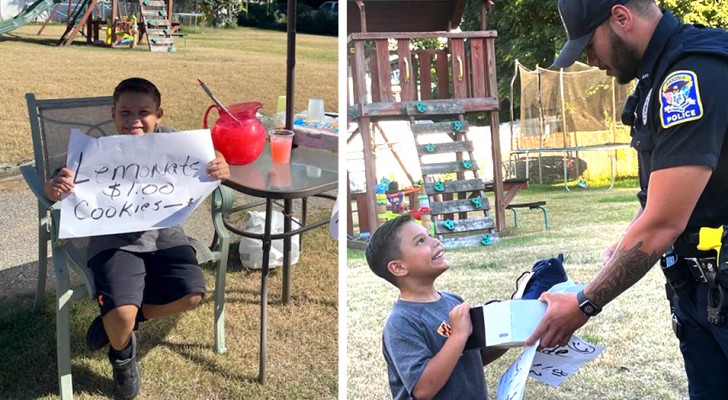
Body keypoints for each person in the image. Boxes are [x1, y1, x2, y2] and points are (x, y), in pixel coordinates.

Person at [525, 1, 728, 398]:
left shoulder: (692, 75)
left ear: (621, 17)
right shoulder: (660, 75)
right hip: (699, 290)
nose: (590, 58)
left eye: (589, 44)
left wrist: (584, 303)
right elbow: (663, 193)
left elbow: (662, 224)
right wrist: (625, 240)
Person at [44, 77, 230, 399]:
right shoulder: (96, 151)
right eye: (125, 112)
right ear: (113, 114)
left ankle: (122, 323)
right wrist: (54, 188)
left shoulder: (173, 142)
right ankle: (122, 354)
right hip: (113, 239)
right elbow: (57, 183)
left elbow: (209, 167)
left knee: (191, 293)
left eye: (144, 112)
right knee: (120, 314)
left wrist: (220, 168)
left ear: (159, 114)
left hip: (165, 236)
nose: (134, 120)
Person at [366, 214, 506, 399]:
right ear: (398, 268)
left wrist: (507, 338)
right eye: (421, 241)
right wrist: (458, 335)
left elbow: (472, 360)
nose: (435, 241)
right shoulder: (401, 322)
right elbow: (423, 389)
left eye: (429, 235)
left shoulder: (452, 300)